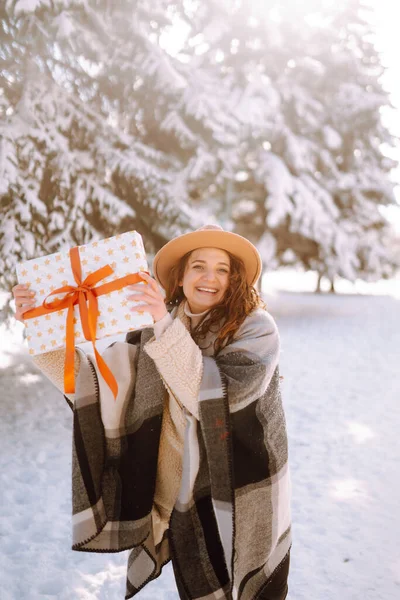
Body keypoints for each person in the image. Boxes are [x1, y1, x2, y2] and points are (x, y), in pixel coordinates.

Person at [12, 225, 292, 600]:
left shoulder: (256, 330)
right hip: (176, 499)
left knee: (245, 588)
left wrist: (162, 323)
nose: (209, 278)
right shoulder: (157, 328)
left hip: (239, 496)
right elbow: (92, 382)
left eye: (222, 269)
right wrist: (40, 324)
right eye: (198, 266)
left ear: (236, 278)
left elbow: (211, 398)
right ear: (180, 277)